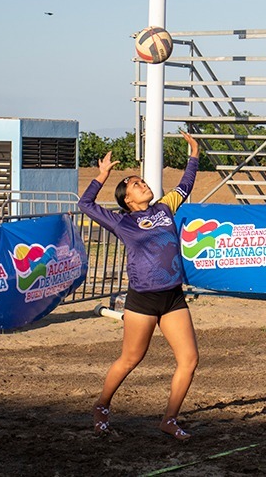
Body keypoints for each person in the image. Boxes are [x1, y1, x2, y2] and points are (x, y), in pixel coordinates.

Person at [77, 131, 200, 441]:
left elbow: (185, 185)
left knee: (189, 360)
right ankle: (102, 407)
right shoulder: (123, 222)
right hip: (143, 300)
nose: (142, 184)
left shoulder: (164, 208)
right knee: (131, 358)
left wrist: (194, 155)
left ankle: (169, 419)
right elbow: (85, 205)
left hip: (172, 296)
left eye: (142, 181)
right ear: (128, 200)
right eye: (134, 184)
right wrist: (101, 176)